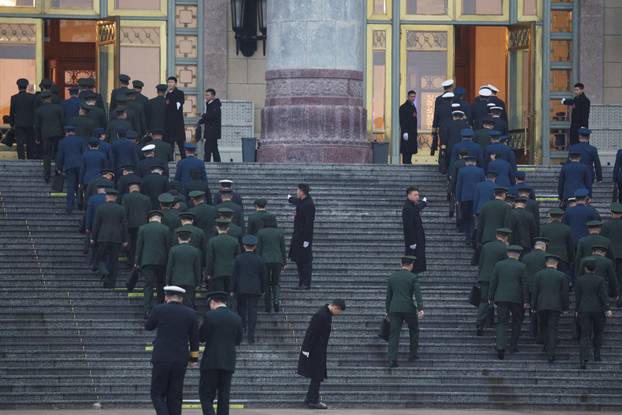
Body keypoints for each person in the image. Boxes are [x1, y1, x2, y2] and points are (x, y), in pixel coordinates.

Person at [145, 285, 199, 415]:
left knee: (157, 393)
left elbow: (148, 326)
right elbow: (194, 338)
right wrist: (193, 359)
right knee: (175, 395)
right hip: (180, 359)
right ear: (181, 298)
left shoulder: (159, 309)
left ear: (166, 297)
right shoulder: (191, 313)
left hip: (162, 357)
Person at [199, 291, 243, 415]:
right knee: (224, 397)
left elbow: (201, 337)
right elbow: (238, 340)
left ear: (212, 302)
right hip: (228, 362)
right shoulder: (236, 318)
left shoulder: (209, 316)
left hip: (211, 362)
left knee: (206, 397)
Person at [297, 299, 346, 410]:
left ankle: (310, 398)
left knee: (317, 375)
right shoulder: (321, 315)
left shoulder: (326, 314)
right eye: (339, 312)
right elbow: (311, 332)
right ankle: (313, 400)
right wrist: (306, 350)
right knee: (317, 375)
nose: (339, 314)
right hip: (315, 350)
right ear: (335, 307)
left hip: (319, 349)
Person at [489, 245, 528, 359]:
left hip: (501, 298)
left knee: (502, 323)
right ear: (519, 255)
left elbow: (493, 282)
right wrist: (526, 300)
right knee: (517, 322)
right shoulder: (522, 266)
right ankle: (513, 346)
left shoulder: (499, 265)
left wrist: (490, 297)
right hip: (517, 299)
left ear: (507, 254)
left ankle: (500, 346)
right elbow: (524, 285)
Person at [385, 255, 424, 367]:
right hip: (409, 308)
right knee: (414, 330)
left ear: (401, 264)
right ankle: (412, 354)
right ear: (411, 265)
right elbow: (418, 294)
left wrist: (387, 311)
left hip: (394, 308)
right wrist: (420, 308)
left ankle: (392, 359)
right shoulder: (413, 277)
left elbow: (388, 296)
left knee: (394, 334)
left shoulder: (392, 277)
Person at [575, 260, 613, 369]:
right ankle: (597, 355)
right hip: (598, 310)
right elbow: (603, 296)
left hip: (583, 309)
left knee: (585, 335)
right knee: (598, 332)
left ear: (585, 268)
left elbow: (578, 297)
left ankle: (583, 360)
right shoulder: (600, 280)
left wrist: (577, 310)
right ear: (595, 269)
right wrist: (607, 309)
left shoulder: (580, 280)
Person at [531, 254, 569, 362]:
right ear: (556, 263)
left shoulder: (538, 275)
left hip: (541, 304)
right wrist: (565, 307)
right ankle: (551, 353)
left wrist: (533, 305)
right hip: (556, 305)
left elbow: (535, 292)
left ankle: (545, 345)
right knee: (553, 328)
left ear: (546, 263)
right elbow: (564, 293)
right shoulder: (562, 276)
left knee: (543, 326)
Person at [134, 210, 171, 317]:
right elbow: (168, 247)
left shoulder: (143, 228)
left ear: (150, 219)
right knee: (161, 285)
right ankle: (160, 307)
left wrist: (137, 262)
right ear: (160, 219)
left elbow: (139, 247)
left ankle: (147, 310)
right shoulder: (166, 229)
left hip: (147, 261)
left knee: (148, 285)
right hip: (162, 261)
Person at [231, 235, 266, 344]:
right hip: (255, 289)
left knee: (241, 310)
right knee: (252, 312)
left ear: (243, 245)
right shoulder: (259, 259)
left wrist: (232, 289)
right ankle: (251, 337)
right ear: (255, 246)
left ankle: (241, 332)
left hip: (241, 288)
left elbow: (234, 275)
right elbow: (263, 276)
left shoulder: (238, 258)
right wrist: (263, 289)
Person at [91, 188, 128, 288]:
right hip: (116, 238)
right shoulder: (121, 209)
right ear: (115, 198)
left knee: (100, 258)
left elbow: (96, 224)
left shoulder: (101, 208)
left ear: (106, 196)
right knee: (114, 262)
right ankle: (111, 284)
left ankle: (104, 271)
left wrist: (93, 237)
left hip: (103, 237)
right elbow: (124, 225)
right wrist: (125, 239)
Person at [477, 228, 511, 336]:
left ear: (496, 235)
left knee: (484, 301)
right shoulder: (504, 248)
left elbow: (480, 262)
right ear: (506, 237)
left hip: (484, 277)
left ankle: (480, 323)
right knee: (498, 300)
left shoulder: (486, 246)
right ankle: (495, 321)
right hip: (498, 279)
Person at [288, 183, 316, 289]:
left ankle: (306, 283)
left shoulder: (309, 204)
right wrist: (290, 199)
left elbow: (309, 223)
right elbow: (296, 201)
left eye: (298, 190)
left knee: (306, 261)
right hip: (298, 236)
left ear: (302, 191)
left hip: (304, 237)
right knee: (299, 260)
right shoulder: (302, 201)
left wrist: (307, 240)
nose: (297, 192)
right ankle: (301, 282)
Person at [257, 214, 286, 312]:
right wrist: (284, 262)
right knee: (275, 282)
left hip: (264, 260)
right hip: (277, 259)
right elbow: (282, 248)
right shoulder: (279, 232)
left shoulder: (260, 232)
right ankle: (276, 301)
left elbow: (259, 248)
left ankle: (267, 304)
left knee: (265, 282)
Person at [521, 237, 549, 338]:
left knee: (532, 310)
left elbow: (523, 275)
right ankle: (540, 332)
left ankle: (532, 330)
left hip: (529, 288)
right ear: (544, 246)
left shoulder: (526, 257)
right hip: (544, 288)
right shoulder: (547, 257)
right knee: (542, 311)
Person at [166, 230, 202, 309]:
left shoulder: (173, 250)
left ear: (178, 238)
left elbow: (169, 267)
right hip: (190, 280)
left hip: (176, 280)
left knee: (176, 302)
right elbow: (197, 268)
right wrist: (199, 283)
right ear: (189, 239)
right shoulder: (195, 251)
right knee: (189, 302)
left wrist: (167, 281)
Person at [34, 91, 64, 182]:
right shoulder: (58, 108)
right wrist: (63, 133)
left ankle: (47, 176)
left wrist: (37, 137)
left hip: (45, 135)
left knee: (46, 155)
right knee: (58, 153)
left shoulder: (39, 110)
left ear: (42, 100)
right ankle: (57, 173)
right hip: (58, 134)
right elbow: (62, 122)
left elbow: (37, 125)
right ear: (50, 98)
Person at [205, 219, 240, 292]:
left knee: (219, 294)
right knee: (230, 294)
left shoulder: (212, 241)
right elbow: (238, 257)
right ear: (228, 228)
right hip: (231, 271)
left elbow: (210, 259)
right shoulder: (234, 241)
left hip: (217, 272)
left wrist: (208, 273)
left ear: (217, 228)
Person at [122, 180, 151, 266]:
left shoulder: (126, 197)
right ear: (138, 189)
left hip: (130, 226)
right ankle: (140, 263)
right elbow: (149, 212)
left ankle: (131, 263)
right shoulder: (146, 198)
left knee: (131, 245)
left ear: (130, 189)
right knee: (141, 245)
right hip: (143, 225)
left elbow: (124, 212)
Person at [456, 157, 485, 243]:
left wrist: (458, 198)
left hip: (465, 198)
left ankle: (468, 236)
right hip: (477, 197)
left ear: (466, 163)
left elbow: (459, 185)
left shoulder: (462, 171)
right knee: (474, 217)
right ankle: (474, 236)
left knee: (466, 218)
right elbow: (483, 184)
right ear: (475, 163)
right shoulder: (480, 171)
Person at [56, 125, 84, 213]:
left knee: (71, 186)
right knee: (80, 185)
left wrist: (59, 168)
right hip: (80, 165)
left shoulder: (62, 142)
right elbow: (84, 153)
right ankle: (80, 204)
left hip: (69, 166)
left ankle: (69, 206)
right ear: (74, 132)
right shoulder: (81, 140)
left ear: (66, 132)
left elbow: (60, 156)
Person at [540, 208, 574, 277]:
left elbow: (541, 244)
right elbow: (570, 246)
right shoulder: (567, 229)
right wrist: (571, 259)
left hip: (548, 256)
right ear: (561, 217)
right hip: (563, 257)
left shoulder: (543, 228)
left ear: (550, 216)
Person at [401, 186, 427, 273]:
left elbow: (417, 208)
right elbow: (408, 227)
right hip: (414, 242)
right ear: (409, 195)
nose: (417, 197)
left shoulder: (411, 206)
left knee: (417, 263)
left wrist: (424, 203)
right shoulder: (407, 208)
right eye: (415, 195)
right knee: (414, 263)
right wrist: (412, 242)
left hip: (417, 240)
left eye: (418, 195)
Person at [9, 78, 37, 160]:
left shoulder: (14, 98)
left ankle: (21, 158)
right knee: (30, 142)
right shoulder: (32, 97)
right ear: (26, 86)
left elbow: (12, 112)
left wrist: (12, 124)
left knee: (20, 142)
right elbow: (34, 111)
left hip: (19, 123)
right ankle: (30, 157)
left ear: (18, 86)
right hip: (30, 123)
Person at [601, 202, 622, 305]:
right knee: (620, 276)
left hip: (609, 254)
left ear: (611, 212)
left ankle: (608, 297)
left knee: (607, 276)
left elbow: (602, 240)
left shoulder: (605, 225)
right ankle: (620, 299)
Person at [198, 88, 222, 163]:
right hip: (210, 131)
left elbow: (212, 116)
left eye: (208, 95)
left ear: (213, 96)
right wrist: (201, 121)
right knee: (214, 149)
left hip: (212, 131)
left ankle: (206, 163)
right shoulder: (209, 104)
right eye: (206, 95)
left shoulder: (215, 105)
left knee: (207, 148)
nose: (206, 97)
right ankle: (217, 162)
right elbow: (209, 117)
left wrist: (204, 115)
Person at [164, 76, 186, 158]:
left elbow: (178, 105)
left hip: (177, 123)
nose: (170, 84)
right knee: (170, 144)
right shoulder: (166, 93)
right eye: (169, 82)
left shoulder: (179, 93)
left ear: (175, 83)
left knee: (181, 144)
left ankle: (184, 160)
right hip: (169, 124)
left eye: (172, 82)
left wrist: (170, 104)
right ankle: (170, 161)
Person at [399, 90, 418, 164]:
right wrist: (404, 131)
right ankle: (406, 162)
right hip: (407, 132)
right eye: (411, 96)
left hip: (412, 132)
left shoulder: (413, 106)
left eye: (414, 97)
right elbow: (402, 121)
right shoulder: (403, 107)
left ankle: (409, 161)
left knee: (410, 149)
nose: (413, 98)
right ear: (408, 97)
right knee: (406, 150)